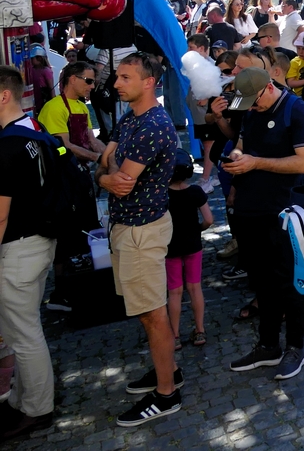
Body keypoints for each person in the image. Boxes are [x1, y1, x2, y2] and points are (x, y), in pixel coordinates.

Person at [97, 53, 184, 426]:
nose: (116, 83)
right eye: (117, 76)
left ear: (148, 82)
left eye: (125, 77)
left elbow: (117, 180)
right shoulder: (130, 117)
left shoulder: (152, 125)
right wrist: (106, 171)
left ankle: (167, 394)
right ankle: (169, 372)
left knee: (152, 313)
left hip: (141, 232)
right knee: (148, 312)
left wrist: (102, 176)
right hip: (129, 228)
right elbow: (106, 160)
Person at [224, 67, 304, 381]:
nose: (250, 108)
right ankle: (267, 344)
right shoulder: (250, 109)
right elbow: (242, 139)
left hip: (282, 210)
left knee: (288, 281)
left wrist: (255, 162)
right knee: (261, 280)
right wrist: (238, 155)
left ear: (267, 88)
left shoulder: (297, 110)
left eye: (254, 101)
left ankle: (296, 346)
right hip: (251, 208)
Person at [0, 66, 58, 438]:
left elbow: (1, 214)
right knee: (21, 330)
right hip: (39, 242)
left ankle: (37, 408)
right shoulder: (35, 133)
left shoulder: (6, 144)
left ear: (3, 95)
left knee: (24, 333)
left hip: (20, 248)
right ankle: (23, 399)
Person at [165, 164, 212, 350]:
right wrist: (197, 230)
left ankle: (175, 335)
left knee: (174, 292)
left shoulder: (163, 195)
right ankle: (199, 330)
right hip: (193, 246)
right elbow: (209, 219)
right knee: (195, 288)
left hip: (171, 248)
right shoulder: (196, 192)